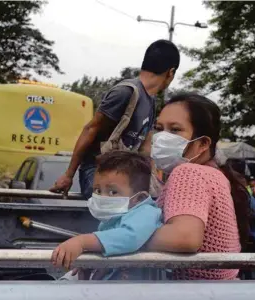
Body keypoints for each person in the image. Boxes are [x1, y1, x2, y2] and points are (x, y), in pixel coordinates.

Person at [50, 40, 180, 200]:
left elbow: (145, 149)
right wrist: (68, 175)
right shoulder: (125, 92)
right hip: (98, 170)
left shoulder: (151, 102)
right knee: (117, 208)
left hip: (126, 175)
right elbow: (90, 129)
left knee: (152, 207)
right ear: (171, 73)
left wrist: (154, 181)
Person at [146, 93, 255, 280]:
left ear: (203, 143)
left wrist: (119, 238)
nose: (162, 138)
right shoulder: (216, 174)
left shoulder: (189, 172)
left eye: (175, 130)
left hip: (196, 298)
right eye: (159, 129)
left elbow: (184, 238)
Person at [52, 151, 162, 280]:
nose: (102, 197)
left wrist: (82, 242)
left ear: (139, 198)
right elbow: (106, 246)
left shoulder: (146, 212)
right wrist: (90, 261)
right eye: (97, 190)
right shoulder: (112, 218)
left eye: (112, 192)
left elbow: (130, 237)